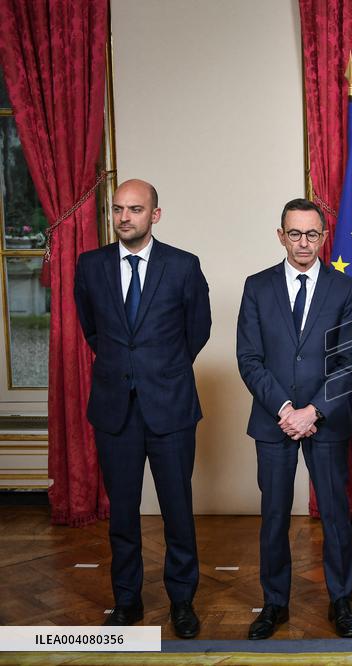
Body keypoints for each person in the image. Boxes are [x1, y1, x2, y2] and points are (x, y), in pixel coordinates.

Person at [74, 179, 211, 638]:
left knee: (177, 510)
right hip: (115, 409)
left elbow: (198, 329)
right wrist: (125, 367)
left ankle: (182, 603)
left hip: (170, 406)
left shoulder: (183, 266)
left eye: (134, 209)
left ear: (155, 215)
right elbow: (92, 329)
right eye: (118, 209)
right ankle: (127, 602)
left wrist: (162, 370)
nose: (124, 217)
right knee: (122, 513)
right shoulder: (90, 266)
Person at [236, 198, 352, 640]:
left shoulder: (344, 288)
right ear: (281, 236)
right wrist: (286, 410)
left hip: (326, 418)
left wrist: (314, 411)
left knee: (335, 515)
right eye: (295, 233)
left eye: (311, 234)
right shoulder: (257, 286)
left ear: (323, 237)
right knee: (274, 515)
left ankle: (341, 600)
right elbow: (249, 359)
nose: (303, 242)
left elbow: (350, 361)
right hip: (274, 420)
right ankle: (274, 604)